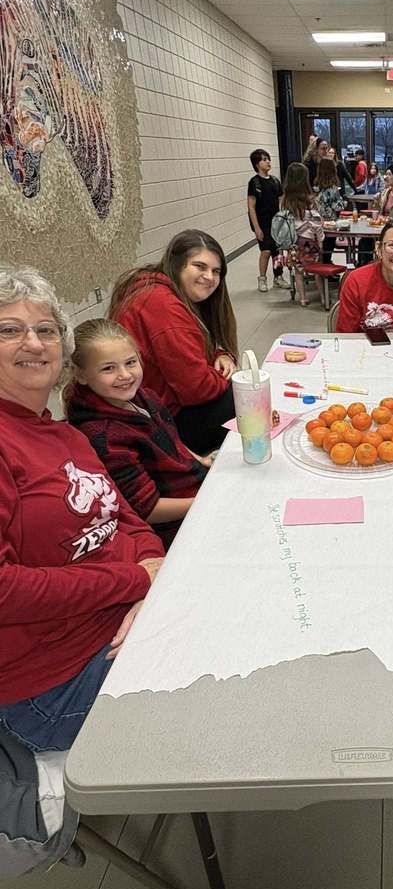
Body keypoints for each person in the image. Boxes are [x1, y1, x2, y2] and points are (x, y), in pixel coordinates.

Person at [0, 267, 165, 753]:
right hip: (50, 686)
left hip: (116, 618)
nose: (33, 342)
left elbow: (125, 518)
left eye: (46, 330)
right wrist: (139, 582)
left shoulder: (64, 433)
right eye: (10, 330)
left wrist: (151, 579)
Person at [65, 319, 210, 549]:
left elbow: (172, 441)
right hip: (177, 527)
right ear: (81, 375)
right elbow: (147, 510)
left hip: (197, 489)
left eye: (130, 362)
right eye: (108, 368)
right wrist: (207, 502)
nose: (124, 375)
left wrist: (202, 460)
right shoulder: (104, 436)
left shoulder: (144, 397)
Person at [109, 230, 238, 455]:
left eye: (216, 271)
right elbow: (197, 389)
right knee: (245, 399)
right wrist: (224, 376)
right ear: (177, 265)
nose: (209, 277)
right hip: (153, 425)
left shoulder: (157, 289)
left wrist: (221, 356)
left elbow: (195, 352)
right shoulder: (162, 304)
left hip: (150, 409)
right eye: (199, 266)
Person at [272, 162, 325, 308]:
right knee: (316, 269)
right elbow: (316, 222)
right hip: (309, 241)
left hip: (294, 242)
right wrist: (320, 240)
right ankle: (322, 297)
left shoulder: (286, 200)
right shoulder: (309, 198)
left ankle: (302, 298)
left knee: (299, 271)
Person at [247, 149, 287, 293]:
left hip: (276, 223)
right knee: (266, 251)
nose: (268, 162)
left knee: (278, 251)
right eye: (264, 159)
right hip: (262, 223)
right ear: (257, 164)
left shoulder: (275, 181)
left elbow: (281, 202)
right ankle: (262, 278)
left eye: (268, 159)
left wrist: (283, 221)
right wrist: (256, 228)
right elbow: (251, 207)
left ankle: (278, 277)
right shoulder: (254, 183)